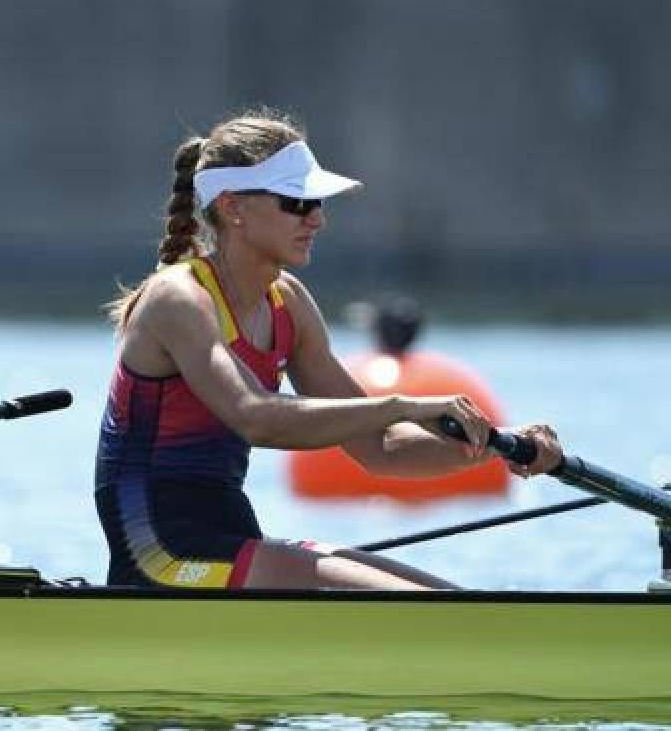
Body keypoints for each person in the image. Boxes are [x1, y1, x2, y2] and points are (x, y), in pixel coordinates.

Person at [95, 109, 562, 590]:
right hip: (154, 552)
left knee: (445, 600)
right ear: (234, 207)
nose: (317, 218)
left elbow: (383, 449)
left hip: (230, 535)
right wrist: (400, 404)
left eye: (316, 202)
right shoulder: (178, 298)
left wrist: (500, 445)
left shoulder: (288, 303)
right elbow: (255, 416)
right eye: (296, 203)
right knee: (412, 606)